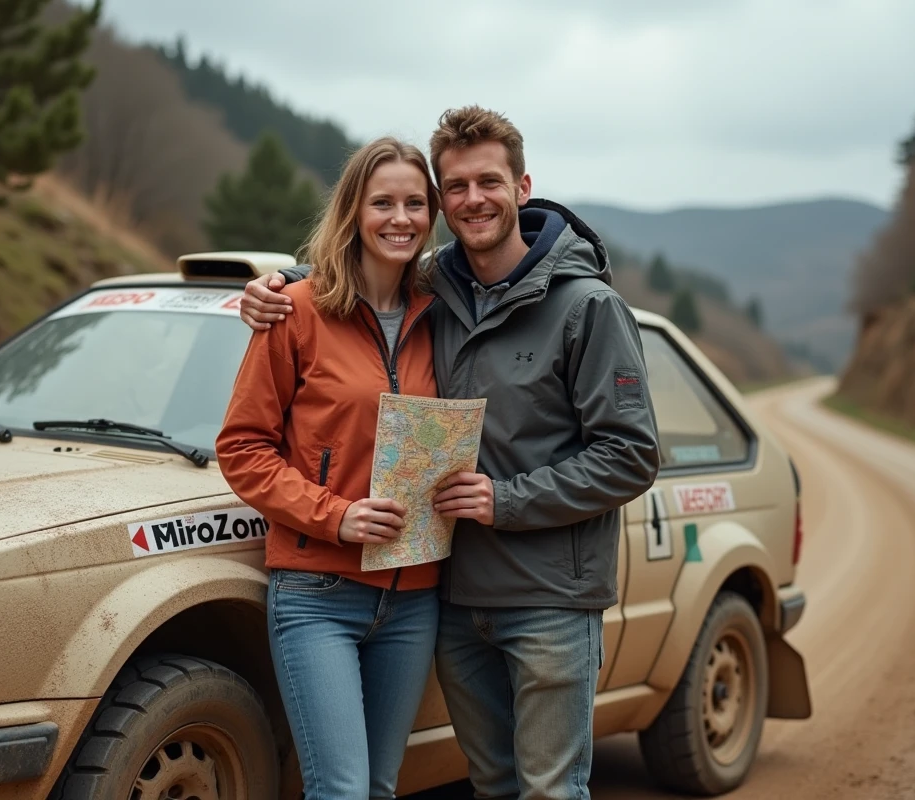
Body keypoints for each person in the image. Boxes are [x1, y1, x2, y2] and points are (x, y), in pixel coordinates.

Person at [239, 107, 661, 800]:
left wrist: (505, 500)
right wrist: (271, 286)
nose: (472, 199)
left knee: (552, 790)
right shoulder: (439, 292)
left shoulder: (587, 306)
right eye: (456, 186)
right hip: (454, 598)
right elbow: (360, 266)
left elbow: (631, 455)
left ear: (523, 187)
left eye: (488, 182)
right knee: (490, 785)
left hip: (550, 597)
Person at [215, 136, 444, 800]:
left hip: (414, 597)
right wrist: (336, 516)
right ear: (353, 211)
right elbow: (243, 448)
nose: (399, 218)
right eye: (382, 203)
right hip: (318, 597)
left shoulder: (445, 316)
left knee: (377, 786)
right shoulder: (296, 311)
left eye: (414, 203)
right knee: (340, 790)